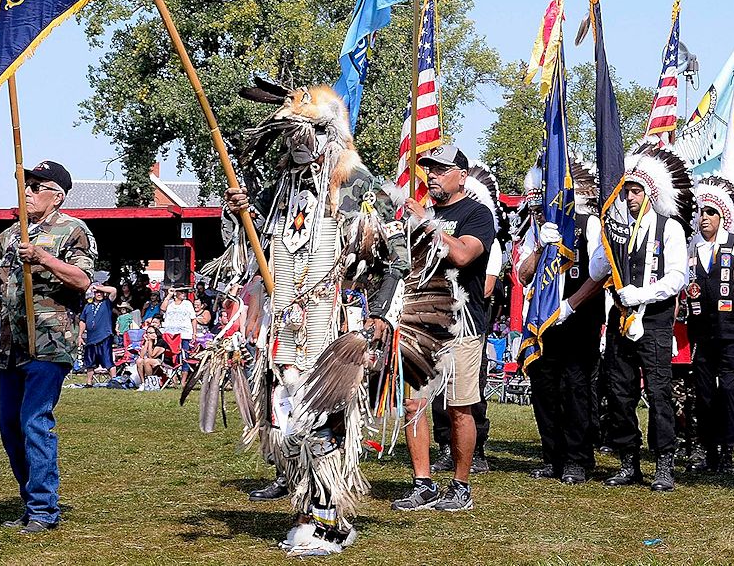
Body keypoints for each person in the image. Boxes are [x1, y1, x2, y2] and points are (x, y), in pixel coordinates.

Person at [223, 82, 413, 556]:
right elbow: (244, 246)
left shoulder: (361, 188)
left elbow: (397, 258)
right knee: (287, 421)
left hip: (334, 324)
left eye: (305, 134)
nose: (295, 145)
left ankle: (330, 524)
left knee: (322, 422)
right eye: (291, 137)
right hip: (284, 322)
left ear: (329, 137)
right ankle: (308, 514)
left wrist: (381, 319)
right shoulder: (279, 193)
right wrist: (238, 213)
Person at [0, 160, 95, 534]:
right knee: (10, 426)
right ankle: (31, 503)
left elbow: (82, 280)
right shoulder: (8, 237)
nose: (27, 191)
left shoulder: (73, 231)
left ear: (56, 196)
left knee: (34, 422)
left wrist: (43, 258)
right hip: (12, 346)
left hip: (49, 343)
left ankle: (44, 509)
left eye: (36, 186)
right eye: (25, 185)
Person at [394, 145, 496, 513]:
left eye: (440, 169)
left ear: (462, 176)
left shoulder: (477, 213)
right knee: (414, 405)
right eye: (428, 169)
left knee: (460, 409)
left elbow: (464, 255)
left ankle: (461, 485)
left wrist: (427, 223)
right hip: (421, 324)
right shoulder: (420, 214)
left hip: (463, 323)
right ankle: (423, 483)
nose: (431, 175)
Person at [588, 144, 691, 492]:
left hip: (656, 320)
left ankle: (664, 462)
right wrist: (605, 245)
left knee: (659, 392)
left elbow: (677, 277)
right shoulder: (614, 230)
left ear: (649, 193)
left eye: (635, 191)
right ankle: (628, 461)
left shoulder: (669, 228)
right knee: (620, 392)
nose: (630, 197)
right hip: (620, 320)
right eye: (626, 191)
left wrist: (643, 295)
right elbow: (595, 270)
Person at [518, 160, 606, 484]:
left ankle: (578, 459)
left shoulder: (590, 223)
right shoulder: (538, 230)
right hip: (544, 322)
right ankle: (552, 456)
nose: (539, 212)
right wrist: (541, 246)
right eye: (535, 207)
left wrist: (571, 304)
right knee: (544, 388)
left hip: (579, 317)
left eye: (544, 205)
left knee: (576, 387)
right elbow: (522, 275)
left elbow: (601, 273)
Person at [682, 176, 734, 475]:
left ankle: (728, 449)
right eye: (701, 212)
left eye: (711, 212)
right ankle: (708, 449)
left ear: (723, 217)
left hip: (732, 331)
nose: (704, 218)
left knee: (728, 391)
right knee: (705, 392)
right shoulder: (691, 252)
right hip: (702, 332)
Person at [79, 282, 118, 387]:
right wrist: (80, 335)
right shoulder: (88, 306)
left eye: (101, 292)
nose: (99, 294)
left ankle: (114, 381)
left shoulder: (107, 303)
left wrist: (98, 287)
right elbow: (82, 320)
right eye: (96, 292)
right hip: (91, 338)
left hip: (104, 336)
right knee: (89, 362)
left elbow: (114, 290)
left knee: (107, 360)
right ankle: (89, 382)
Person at [160, 287, 197, 387]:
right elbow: (162, 309)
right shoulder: (170, 303)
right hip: (170, 335)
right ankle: (173, 379)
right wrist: (169, 295)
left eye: (185, 292)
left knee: (185, 356)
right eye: (181, 292)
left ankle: (183, 380)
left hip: (184, 334)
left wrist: (194, 333)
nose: (184, 294)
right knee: (171, 356)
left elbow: (193, 319)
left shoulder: (187, 304)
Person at [135, 325, 168, 390]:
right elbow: (141, 355)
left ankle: (150, 383)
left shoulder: (161, 341)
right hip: (153, 360)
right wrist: (147, 342)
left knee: (147, 361)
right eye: (147, 332)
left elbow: (152, 356)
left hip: (163, 361)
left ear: (156, 333)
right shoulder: (149, 341)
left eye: (151, 332)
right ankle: (143, 383)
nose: (148, 334)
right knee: (139, 361)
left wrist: (150, 342)